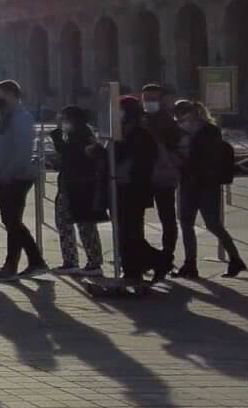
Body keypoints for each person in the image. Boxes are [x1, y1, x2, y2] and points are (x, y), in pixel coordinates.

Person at [173, 100, 243, 278]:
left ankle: (235, 259)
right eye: (178, 114)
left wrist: (188, 159)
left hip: (206, 184)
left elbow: (207, 157)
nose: (181, 118)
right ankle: (190, 264)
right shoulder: (179, 131)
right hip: (187, 183)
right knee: (186, 223)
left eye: (183, 113)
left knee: (212, 223)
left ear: (194, 112)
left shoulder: (209, 131)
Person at [0, 80, 47, 281]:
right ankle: (34, 262)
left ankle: (14, 265)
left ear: (12, 95)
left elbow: (23, 151)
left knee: (12, 222)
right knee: (12, 222)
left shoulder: (21, 118)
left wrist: (8, 173)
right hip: (4, 176)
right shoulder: (5, 117)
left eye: (0, 94)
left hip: (15, 177)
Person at [112, 95, 173, 284]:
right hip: (125, 188)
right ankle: (133, 267)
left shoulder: (139, 133)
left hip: (134, 189)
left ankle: (156, 261)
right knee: (128, 232)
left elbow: (140, 161)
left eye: (121, 110)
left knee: (130, 232)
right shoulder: (124, 131)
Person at [47, 105, 107, 274]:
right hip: (71, 185)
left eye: (64, 119)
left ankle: (89, 262)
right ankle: (76, 260)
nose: (62, 122)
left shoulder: (81, 136)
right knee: (71, 223)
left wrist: (57, 137)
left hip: (78, 186)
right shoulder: (80, 134)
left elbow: (70, 156)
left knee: (81, 224)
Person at [141, 84, 184, 260]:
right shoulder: (140, 118)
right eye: (146, 99)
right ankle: (142, 252)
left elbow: (175, 145)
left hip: (162, 174)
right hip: (142, 174)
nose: (149, 102)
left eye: (153, 99)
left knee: (166, 214)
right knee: (137, 216)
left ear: (160, 100)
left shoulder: (167, 120)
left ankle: (168, 253)